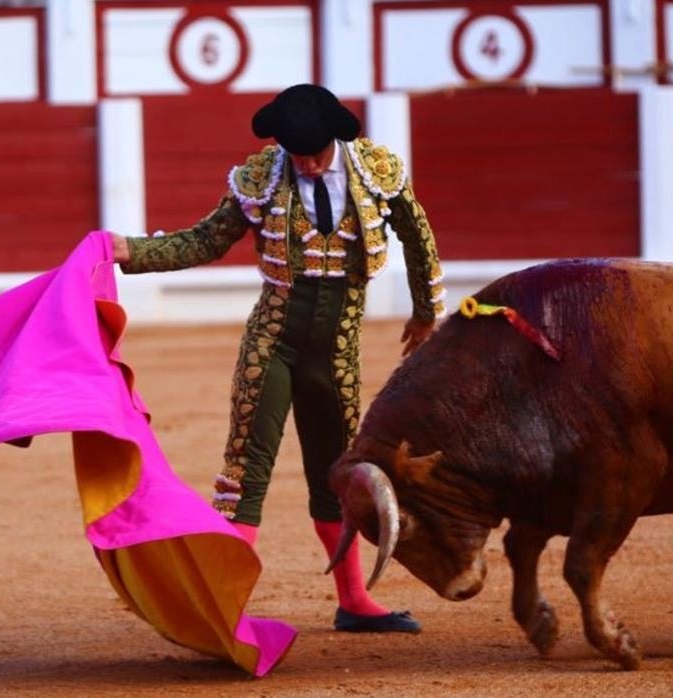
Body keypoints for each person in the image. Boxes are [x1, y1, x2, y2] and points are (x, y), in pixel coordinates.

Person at [111, 84, 447, 634]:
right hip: (273, 343)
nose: (308, 165)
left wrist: (427, 311)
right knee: (244, 471)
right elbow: (206, 241)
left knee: (335, 475)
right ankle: (223, 605)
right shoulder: (264, 176)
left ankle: (355, 601)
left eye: (315, 154)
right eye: (297, 155)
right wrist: (130, 251)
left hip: (337, 351)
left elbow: (419, 236)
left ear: (336, 139)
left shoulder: (376, 172)